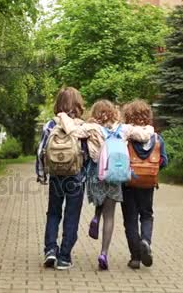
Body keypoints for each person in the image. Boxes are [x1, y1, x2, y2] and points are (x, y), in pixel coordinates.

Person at [58, 100, 154, 270]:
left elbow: (72, 131)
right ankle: (103, 253)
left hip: (97, 173)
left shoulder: (92, 128)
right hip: (116, 174)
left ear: (96, 113)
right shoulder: (123, 129)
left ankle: (96, 216)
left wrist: (63, 116)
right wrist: (150, 128)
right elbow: (145, 135)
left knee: (99, 201)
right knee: (109, 216)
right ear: (114, 113)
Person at [36, 87, 87, 270]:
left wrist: (42, 175)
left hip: (56, 176)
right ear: (78, 104)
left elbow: (41, 151)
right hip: (76, 176)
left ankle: (50, 250)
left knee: (54, 213)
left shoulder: (51, 124)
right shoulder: (82, 126)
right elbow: (88, 154)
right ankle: (64, 257)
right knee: (71, 215)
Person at [120, 99, 168, 270]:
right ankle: (146, 241)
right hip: (148, 184)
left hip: (128, 183)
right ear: (148, 117)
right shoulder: (157, 138)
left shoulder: (126, 138)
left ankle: (135, 258)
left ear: (128, 117)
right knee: (146, 215)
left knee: (130, 219)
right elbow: (164, 162)